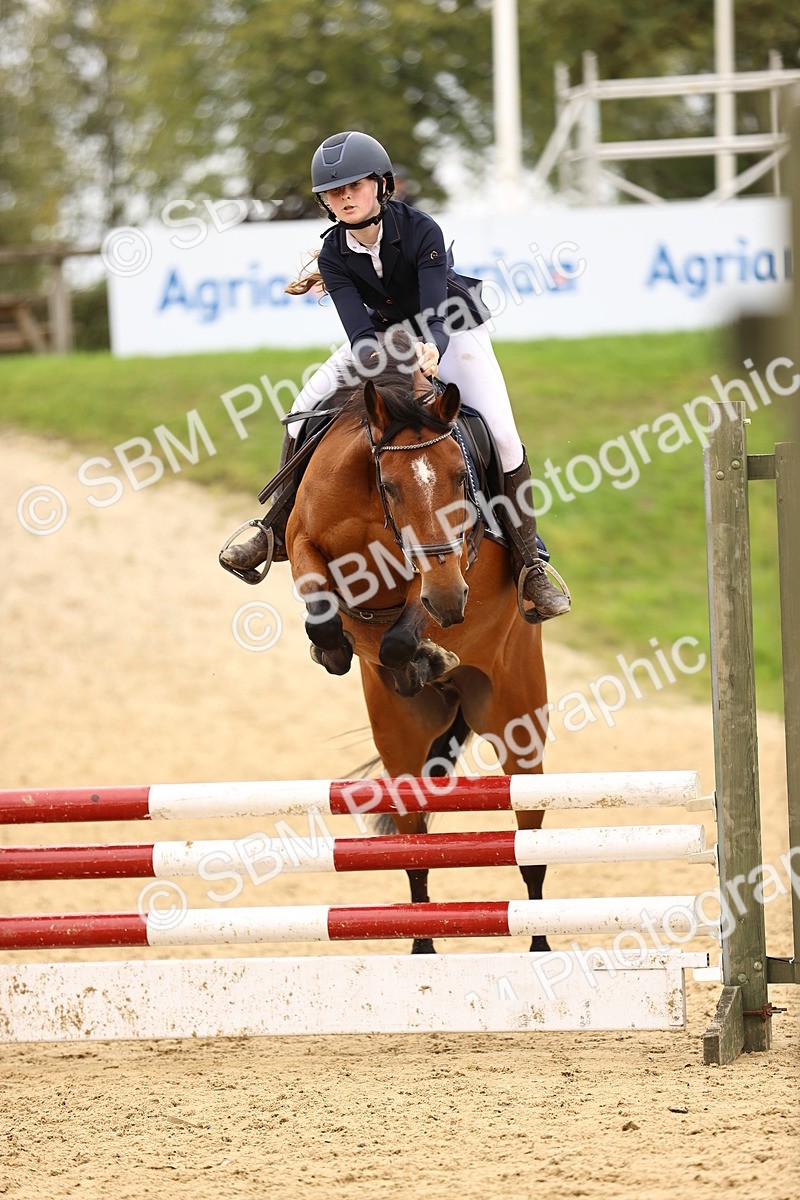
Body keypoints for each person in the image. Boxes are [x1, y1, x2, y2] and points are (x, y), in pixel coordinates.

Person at [221, 131, 570, 621]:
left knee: (506, 438)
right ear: (324, 201)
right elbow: (361, 336)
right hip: (382, 341)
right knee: (303, 407)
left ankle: (530, 564)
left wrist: (429, 351)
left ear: (381, 186)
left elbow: (438, 312)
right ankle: (275, 526)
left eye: (355, 186)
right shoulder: (333, 255)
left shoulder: (421, 229)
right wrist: (391, 364)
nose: (345, 197)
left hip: (451, 329)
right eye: (334, 192)